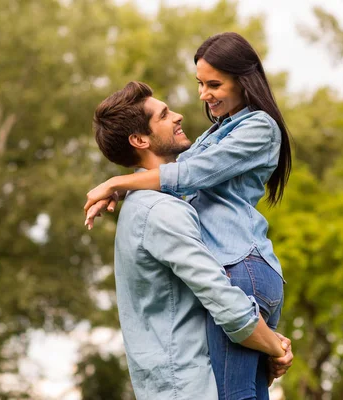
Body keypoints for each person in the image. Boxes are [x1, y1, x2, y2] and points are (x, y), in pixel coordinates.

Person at [84, 32, 293, 400]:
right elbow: (181, 176)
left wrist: (117, 182)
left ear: (243, 81)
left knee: (237, 394)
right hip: (239, 273)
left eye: (213, 84)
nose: (198, 98)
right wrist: (272, 345)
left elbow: (189, 175)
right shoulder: (166, 201)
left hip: (241, 267)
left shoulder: (257, 126)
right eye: (201, 83)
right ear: (140, 141)